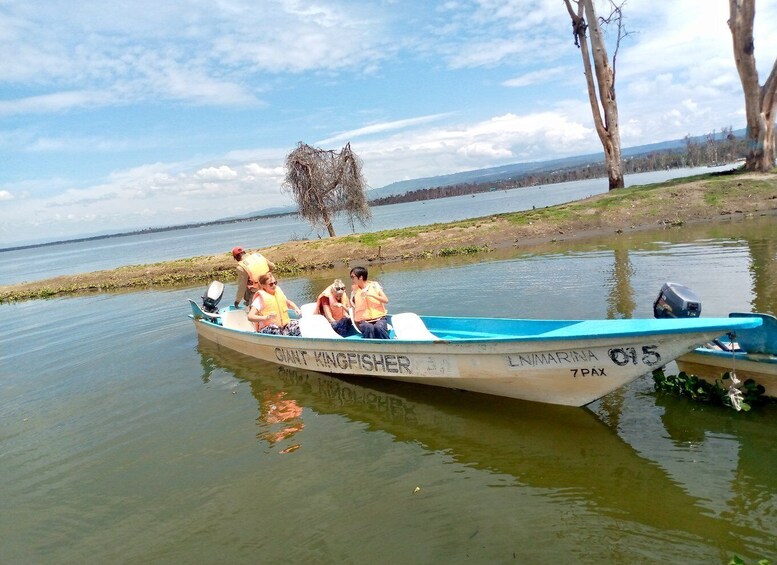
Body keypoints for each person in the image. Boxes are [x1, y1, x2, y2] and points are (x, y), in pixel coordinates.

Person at [349, 266, 390, 339]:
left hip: (379, 318)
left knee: (379, 328)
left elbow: (386, 300)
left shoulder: (374, 286)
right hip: (364, 320)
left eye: (353, 277)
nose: (351, 279)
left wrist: (371, 295)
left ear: (360, 277)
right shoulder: (354, 291)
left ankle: (387, 347)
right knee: (368, 328)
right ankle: (371, 347)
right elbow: (352, 306)